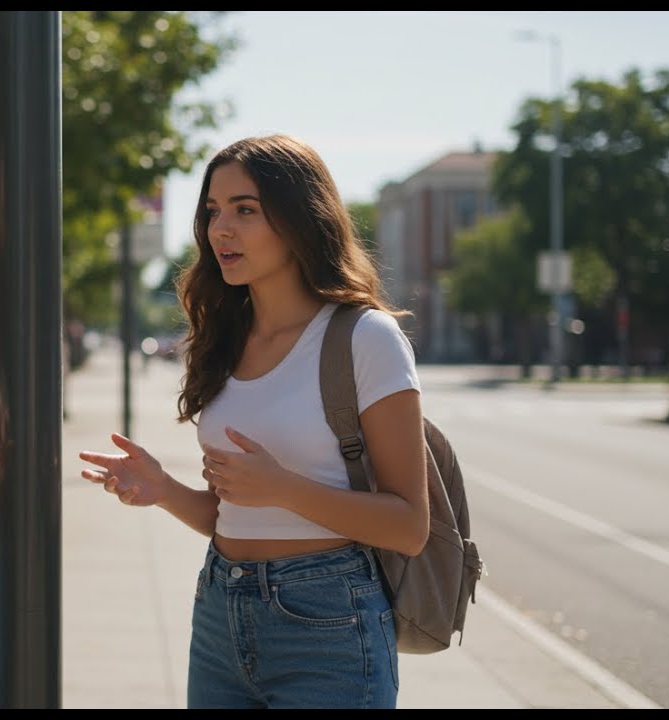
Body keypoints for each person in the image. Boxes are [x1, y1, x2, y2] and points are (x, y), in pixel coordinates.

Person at [78, 134, 428, 709]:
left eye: (246, 210)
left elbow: (409, 525)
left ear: (298, 220)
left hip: (327, 622)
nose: (222, 229)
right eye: (213, 212)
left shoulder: (365, 337)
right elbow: (233, 515)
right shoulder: (223, 341)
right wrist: (164, 490)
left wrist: (283, 487)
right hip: (221, 609)